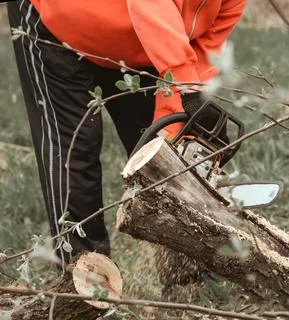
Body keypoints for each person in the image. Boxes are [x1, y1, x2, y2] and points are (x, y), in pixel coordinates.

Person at [7, 0, 246, 269]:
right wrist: (185, 82)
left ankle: (185, 273)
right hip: (56, 21)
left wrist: (189, 105)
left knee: (158, 149)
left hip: (148, 41)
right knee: (73, 146)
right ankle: (83, 274)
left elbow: (205, 49)